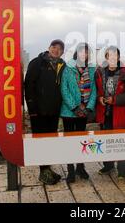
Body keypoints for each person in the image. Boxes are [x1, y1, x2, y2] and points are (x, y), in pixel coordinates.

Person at [24, 39, 66, 185]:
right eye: (54, 47)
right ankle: (43, 172)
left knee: (50, 141)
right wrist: (32, 109)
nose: (56, 50)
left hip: (54, 111)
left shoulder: (62, 65)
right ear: (49, 47)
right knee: (41, 142)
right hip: (39, 111)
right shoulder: (37, 63)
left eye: (59, 49)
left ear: (62, 52)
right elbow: (28, 86)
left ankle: (48, 169)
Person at [60, 42, 97, 183]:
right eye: (81, 51)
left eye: (86, 52)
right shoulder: (68, 68)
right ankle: (70, 169)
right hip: (69, 112)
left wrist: (88, 108)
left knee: (82, 140)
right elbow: (64, 89)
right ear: (77, 53)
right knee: (70, 141)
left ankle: (80, 167)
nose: (84, 54)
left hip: (84, 110)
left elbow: (94, 89)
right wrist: (74, 107)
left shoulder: (92, 69)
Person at [95, 46, 125, 180]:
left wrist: (114, 100)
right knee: (106, 141)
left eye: (115, 55)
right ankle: (108, 165)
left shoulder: (124, 73)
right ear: (106, 57)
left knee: (121, 142)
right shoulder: (100, 72)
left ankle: (122, 169)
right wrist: (100, 98)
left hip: (119, 112)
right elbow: (97, 91)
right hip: (105, 113)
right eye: (109, 55)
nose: (112, 57)